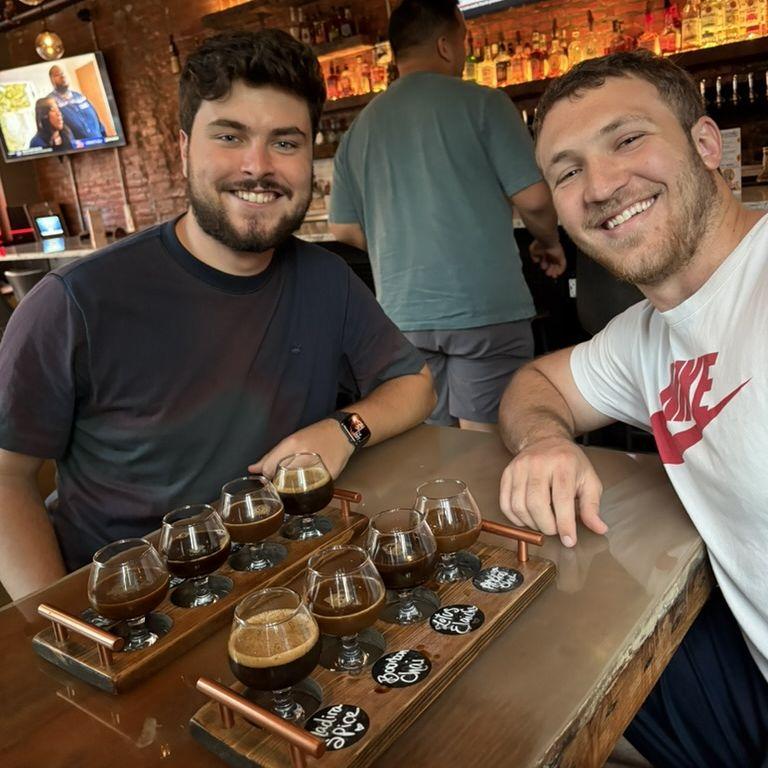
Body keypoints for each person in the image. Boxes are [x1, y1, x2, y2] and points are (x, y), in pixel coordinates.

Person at [0, 30, 435, 602]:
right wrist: (57, 623)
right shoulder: (74, 302)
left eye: (286, 142)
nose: (258, 167)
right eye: (230, 136)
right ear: (183, 148)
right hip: (137, 605)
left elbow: (416, 385)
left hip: (285, 580)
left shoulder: (326, 278)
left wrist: (344, 428)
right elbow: (6, 479)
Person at [498, 50, 768, 766]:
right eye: (566, 170)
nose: (602, 186)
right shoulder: (647, 333)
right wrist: (544, 444)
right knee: (545, 632)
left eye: (626, 140)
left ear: (706, 145)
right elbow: (536, 386)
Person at [329, 0, 564, 432]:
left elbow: (341, 227)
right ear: (444, 44)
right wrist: (548, 243)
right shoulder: (484, 104)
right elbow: (533, 199)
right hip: (484, 310)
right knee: (487, 446)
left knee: (433, 446)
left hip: (403, 316)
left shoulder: (358, 129)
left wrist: (397, 242)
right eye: (463, 40)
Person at [47, 64, 106, 142]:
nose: (62, 76)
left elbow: (97, 121)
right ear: (52, 80)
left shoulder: (80, 97)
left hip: (101, 143)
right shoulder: (50, 102)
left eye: (63, 73)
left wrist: (106, 139)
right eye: (57, 75)